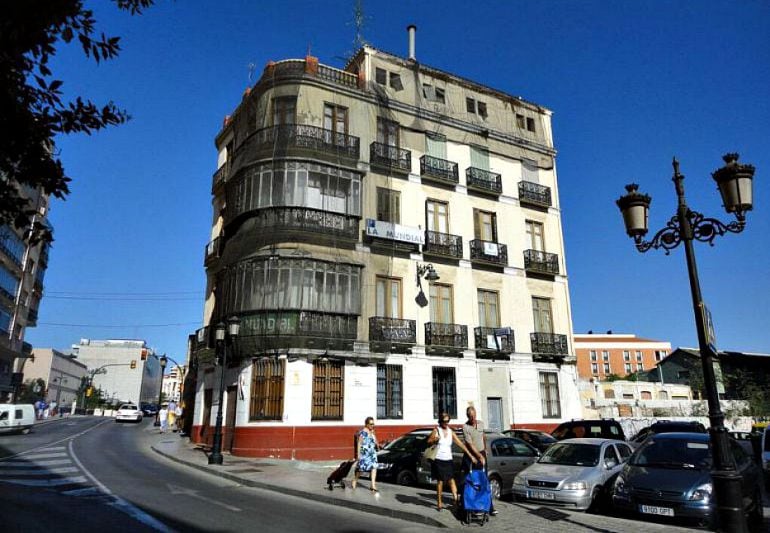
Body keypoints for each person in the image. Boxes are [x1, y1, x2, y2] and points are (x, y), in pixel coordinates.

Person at [427, 412, 476, 511]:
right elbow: (428, 441)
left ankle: (455, 500)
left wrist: (470, 455)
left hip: (448, 459)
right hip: (439, 459)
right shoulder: (436, 430)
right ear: (440, 421)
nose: (446, 423)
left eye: (448, 421)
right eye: (444, 421)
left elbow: (460, 444)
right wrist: (435, 440)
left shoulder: (450, 432)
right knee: (440, 481)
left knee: (451, 480)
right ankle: (439, 502)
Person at [462, 406, 497, 516]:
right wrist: (478, 456)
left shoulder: (481, 424)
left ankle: (489, 507)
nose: (473, 418)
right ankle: (471, 506)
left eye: (474, 415)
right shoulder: (465, 427)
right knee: (472, 481)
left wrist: (485, 449)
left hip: (481, 453)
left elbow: (483, 436)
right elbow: (470, 444)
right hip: (472, 456)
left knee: (484, 480)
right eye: (470, 416)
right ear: (468, 416)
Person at [352, 416, 379, 492]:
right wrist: (358, 455)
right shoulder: (363, 432)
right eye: (370, 424)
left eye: (373, 424)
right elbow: (359, 443)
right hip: (365, 453)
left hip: (372, 453)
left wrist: (374, 435)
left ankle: (373, 485)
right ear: (366, 424)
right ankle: (355, 480)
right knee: (361, 469)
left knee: (374, 467)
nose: (372, 425)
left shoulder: (372, 431)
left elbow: (375, 441)